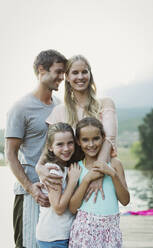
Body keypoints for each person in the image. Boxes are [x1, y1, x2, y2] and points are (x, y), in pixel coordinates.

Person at [5, 49, 67, 248]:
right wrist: (31, 188)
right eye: (58, 72)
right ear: (42, 70)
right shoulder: (20, 108)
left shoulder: (59, 105)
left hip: (56, 195)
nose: (62, 77)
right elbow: (10, 154)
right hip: (31, 192)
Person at [37, 55, 118, 201]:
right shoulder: (59, 111)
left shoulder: (105, 103)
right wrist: (39, 168)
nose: (80, 77)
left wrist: (97, 174)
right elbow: (49, 146)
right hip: (72, 179)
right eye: (75, 73)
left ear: (90, 74)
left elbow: (109, 140)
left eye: (84, 72)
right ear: (67, 77)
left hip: (101, 174)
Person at [68, 117, 130, 248]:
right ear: (78, 141)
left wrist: (112, 174)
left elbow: (125, 200)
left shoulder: (115, 164)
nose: (91, 144)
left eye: (95, 138)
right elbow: (73, 208)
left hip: (111, 232)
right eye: (85, 140)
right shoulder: (76, 168)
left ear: (103, 137)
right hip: (84, 232)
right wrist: (86, 179)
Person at [36, 122, 81, 248]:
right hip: (53, 238)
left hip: (64, 235)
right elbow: (58, 208)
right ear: (50, 147)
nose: (66, 148)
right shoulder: (53, 170)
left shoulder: (67, 167)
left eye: (70, 143)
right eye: (60, 144)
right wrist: (72, 182)